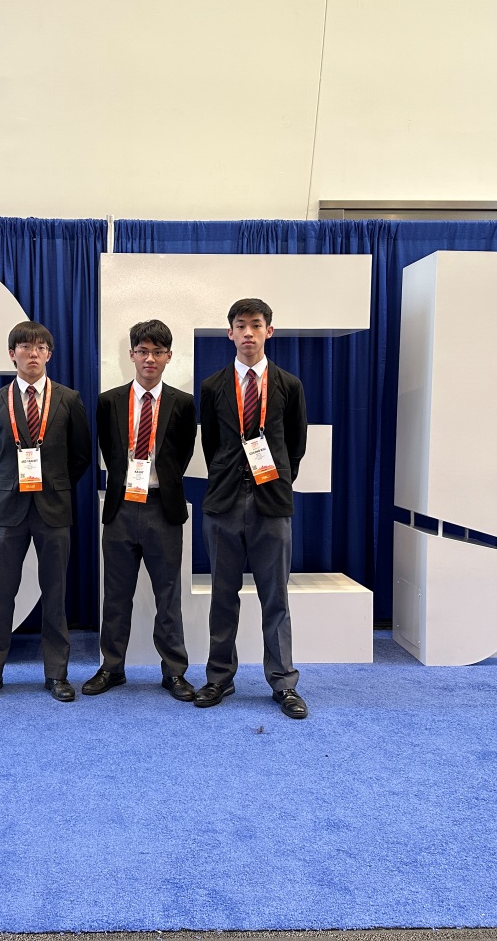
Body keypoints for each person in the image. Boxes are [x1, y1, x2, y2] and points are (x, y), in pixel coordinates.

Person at [195, 298, 309, 719]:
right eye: (240, 325)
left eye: (256, 325)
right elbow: (212, 445)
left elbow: (295, 446)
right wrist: (231, 477)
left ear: (269, 331)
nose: (248, 332)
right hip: (223, 503)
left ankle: (283, 683)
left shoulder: (289, 385)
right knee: (222, 597)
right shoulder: (212, 386)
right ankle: (219, 678)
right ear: (230, 333)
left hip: (271, 503)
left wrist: (273, 480)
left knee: (275, 598)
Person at [0, 321, 92, 704]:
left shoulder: (68, 399)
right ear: (12, 354)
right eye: (25, 346)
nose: (33, 353)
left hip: (54, 509)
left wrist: (53, 484)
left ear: (49, 354)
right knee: (0, 594)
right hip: (8, 511)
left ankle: (57, 674)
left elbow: (80, 456)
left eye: (40, 347)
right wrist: (10, 484)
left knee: (55, 594)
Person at [84, 320, 198, 702]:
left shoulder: (183, 403)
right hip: (121, 508)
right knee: (116, 595)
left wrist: (158, 480)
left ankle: (175, 672)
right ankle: (112, 667)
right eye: (143, 351)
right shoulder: (109, 402)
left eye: (157, 352)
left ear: (169, 356)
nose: (150, 358)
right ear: (131, 354)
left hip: (162, 508)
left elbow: (182, 454)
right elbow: (109, 452)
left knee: (168, 595)